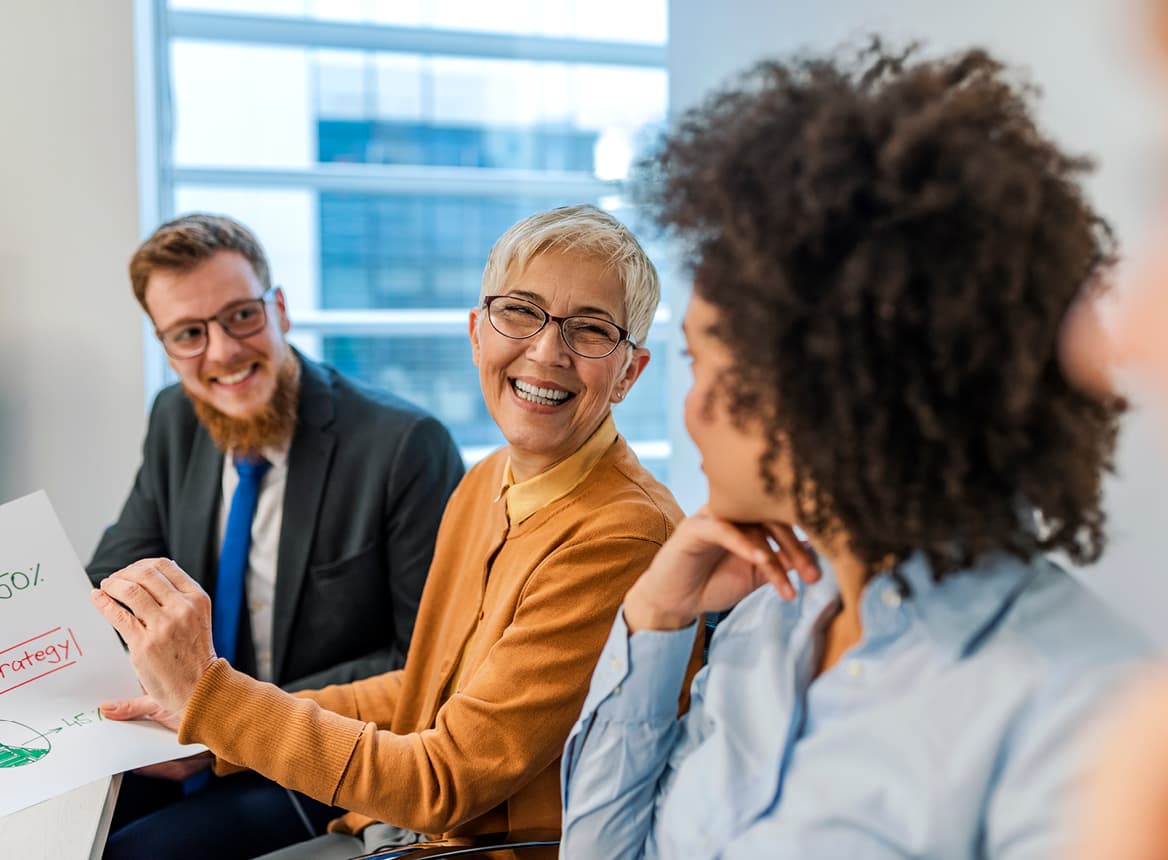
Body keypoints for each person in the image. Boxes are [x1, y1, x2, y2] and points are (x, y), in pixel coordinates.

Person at [560, 44, 1151, 859]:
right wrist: (655, 619)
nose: (688, 412)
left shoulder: (1079, 713)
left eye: (707, 366)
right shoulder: (764, 623)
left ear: (833, 382)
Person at [91, 204, 699, 859]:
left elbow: (446, 781)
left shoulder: (620, 536)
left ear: (630, 373)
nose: (547, 352)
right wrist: (215, 722)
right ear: (477, 333)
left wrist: (221, 707)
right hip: (397, 825)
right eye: (520, 312)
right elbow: (419, 690)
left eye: (590, 330)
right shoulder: (489, 479)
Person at [90, 213, 465, 858]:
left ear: (281, 309)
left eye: (241, 316)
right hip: (180, 738)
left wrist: (220, 715)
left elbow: (426, 663)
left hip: (315, 754)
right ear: (167, 345)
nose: (224, 352)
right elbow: (117, 580)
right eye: (189, 334)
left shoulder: (403, 446)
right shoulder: (174, 417)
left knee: (133, 854)